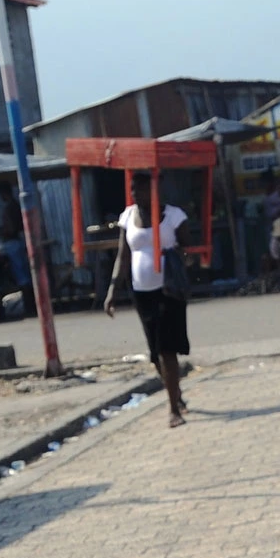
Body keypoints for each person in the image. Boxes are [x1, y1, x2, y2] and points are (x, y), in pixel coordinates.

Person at [104, 171, 191, 426]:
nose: (135, 193)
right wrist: (112, 291)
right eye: (133, 188)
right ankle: (175, 393)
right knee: (155, 353)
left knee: (167, 349)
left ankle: (173, 410)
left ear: (154, 190)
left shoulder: (174, 216)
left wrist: (179, 257)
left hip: (169, 290)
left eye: (140, 188)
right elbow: (123, 255)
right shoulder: (128, 216)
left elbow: (190, 251)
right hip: (141, 292)